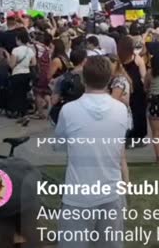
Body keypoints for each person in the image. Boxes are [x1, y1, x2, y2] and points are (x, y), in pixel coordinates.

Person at [55, 56, 128, 248]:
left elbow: (60, 144)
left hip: (78, 195)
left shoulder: (69, 111)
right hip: (111, 192)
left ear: (83, 79)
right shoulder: (121, 110)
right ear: (110, 78)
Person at [118, 36, 148, 148]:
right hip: (137, 90)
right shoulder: (137, 59)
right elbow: (143, 76)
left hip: (121, 89)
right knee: (138, 113)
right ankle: (138, 138)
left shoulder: (118, 59)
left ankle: (126, 136)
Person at [8, 29, 36, 121]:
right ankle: (24, 112)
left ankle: (17, 112)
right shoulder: (30, 50)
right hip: (26, 73)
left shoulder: (15, 50)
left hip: (17, 74)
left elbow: (12, 65)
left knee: (16, 93)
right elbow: (34, 63)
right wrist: (26, 64)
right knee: (24, 93)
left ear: (19, 39)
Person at [32, 31, 53, 120]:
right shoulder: (48, 49)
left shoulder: (37, 48)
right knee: (46, 92)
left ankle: (40, 113)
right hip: (47, 72)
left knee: (38, 93)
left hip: (39, 72)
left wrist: (34, 41)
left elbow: (33, 43)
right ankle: (49, 110)